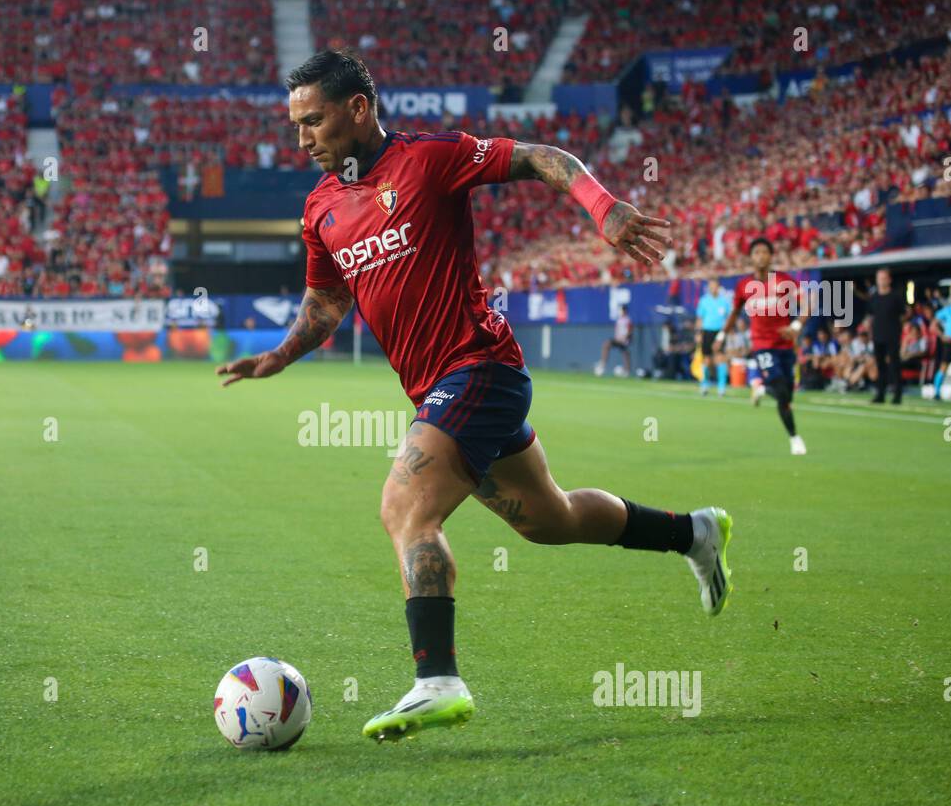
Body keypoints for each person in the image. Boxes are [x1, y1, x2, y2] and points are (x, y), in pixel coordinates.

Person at [216, 49, 734, 742]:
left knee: (404, 507)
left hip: (479, 367)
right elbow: (326, 302)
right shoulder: (320, 209)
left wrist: (602, 207)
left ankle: (438, 680)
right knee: (550, 519)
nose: (301, 138)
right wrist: (279, 356)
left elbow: (543, 156)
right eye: (295, 124)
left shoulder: (431, 159)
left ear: (358, 109)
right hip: (440, 388)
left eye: (313, 122)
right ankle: (693, 531)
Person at [717, 237, 808, 455]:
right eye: (756, 252)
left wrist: (796, 325)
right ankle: (795, 437)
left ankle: (761, 388)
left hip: (786, 345)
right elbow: (734, 313)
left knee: (786, 396)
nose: (760, 256)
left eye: (764, 252)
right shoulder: (744, 285)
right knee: (782, 390)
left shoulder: (784, 281)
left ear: (770, 256)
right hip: (762, 345)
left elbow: (806, 304)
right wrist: (721, 336)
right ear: (751, 257)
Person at [866, 267, 908, 403]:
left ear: (889, 280)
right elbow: (871, 317)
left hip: (892, 335)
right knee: (880, 366)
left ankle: (897, 394)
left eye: (884, 278)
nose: (881, 281)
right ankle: (881, 394)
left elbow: (905, 314)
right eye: (879, 278)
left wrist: (899, 328)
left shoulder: (896, 297)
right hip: (878, 336)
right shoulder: (874, 298)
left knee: (895, 365)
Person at [696, 278, 731, 395]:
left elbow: (728, 319)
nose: (713, 288)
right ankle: (705, 384)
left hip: (719, 332)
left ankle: (721, 387)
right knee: (707, 360)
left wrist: (724, 333)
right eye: (711, 286)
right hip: (707, 331)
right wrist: (698, 333)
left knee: (720, 358)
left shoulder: (724, 302)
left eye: (715, 286)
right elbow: (700, 318)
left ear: (718, 287)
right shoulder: (704, 301)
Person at [596, 303, 632, 377]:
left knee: (625, 353)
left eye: (621, 310)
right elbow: (617, 331)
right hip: (618, 340)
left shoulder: (628, 320)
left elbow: (630, 332)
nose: (620, 311)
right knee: (606, 345)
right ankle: (602, 365)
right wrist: (617, 338)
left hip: (624, 340)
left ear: (625, 311)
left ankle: (627, 371)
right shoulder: (619, 320)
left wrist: (624, 338)